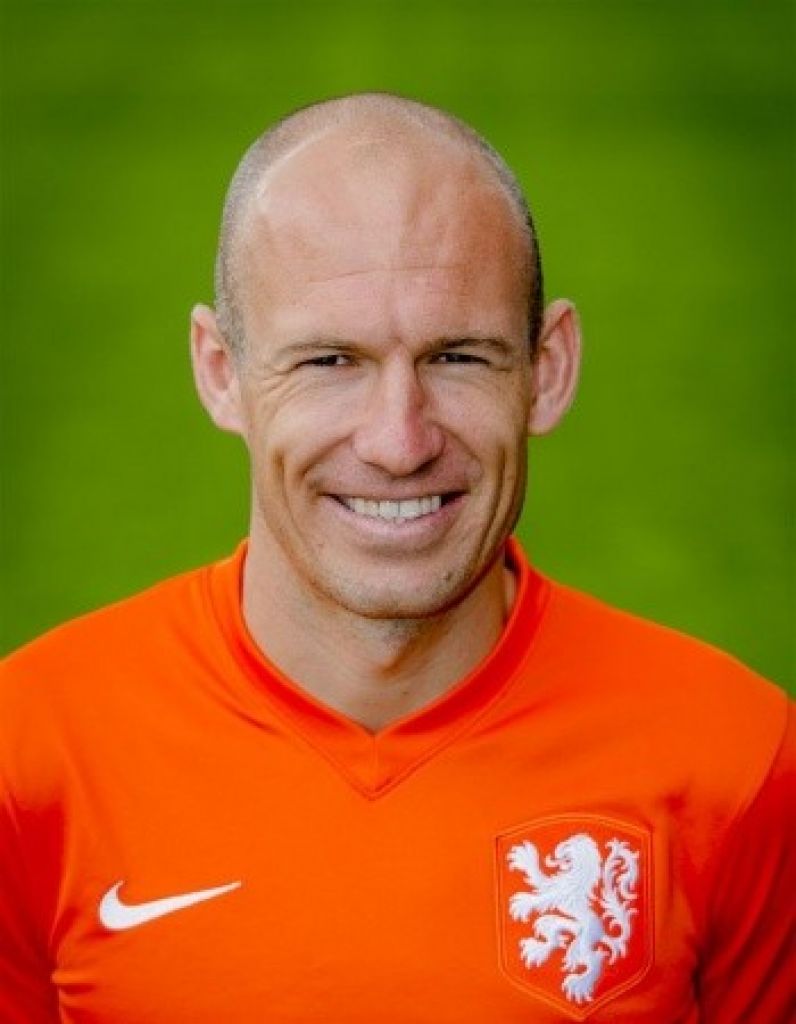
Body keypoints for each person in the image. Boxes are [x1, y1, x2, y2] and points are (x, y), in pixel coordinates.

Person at [0, 92, 792, 1024]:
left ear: (548, 368)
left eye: (458, 357)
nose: (398, 441)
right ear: (220, 371)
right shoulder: (29, 752)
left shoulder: (741, 764)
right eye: (329, 361)